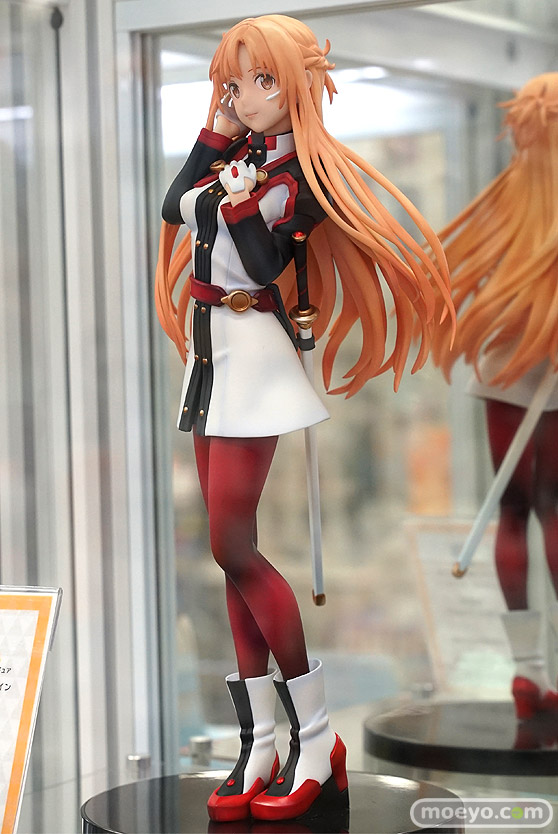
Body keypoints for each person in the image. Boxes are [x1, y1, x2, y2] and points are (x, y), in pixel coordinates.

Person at [156, 13, 453, 822]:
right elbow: (174, 207)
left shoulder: (301, 177)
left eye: (262, 81)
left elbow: (264, 263)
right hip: (210, 355)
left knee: (232, 545)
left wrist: (240, 202)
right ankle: (260, 741)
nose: (247, 96)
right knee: (229, 556)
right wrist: (216, 139)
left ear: (294, 84)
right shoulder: (243, 156)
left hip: (253, 356)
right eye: (236, 82)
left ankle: (315, 737)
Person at [431, 73, 558, 721]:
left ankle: (529, 672)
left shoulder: (508, 204)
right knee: (550, 509)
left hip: (506, 361)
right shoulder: (522, 204)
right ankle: (532, 671)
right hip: (525, 362)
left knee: (515, 509)